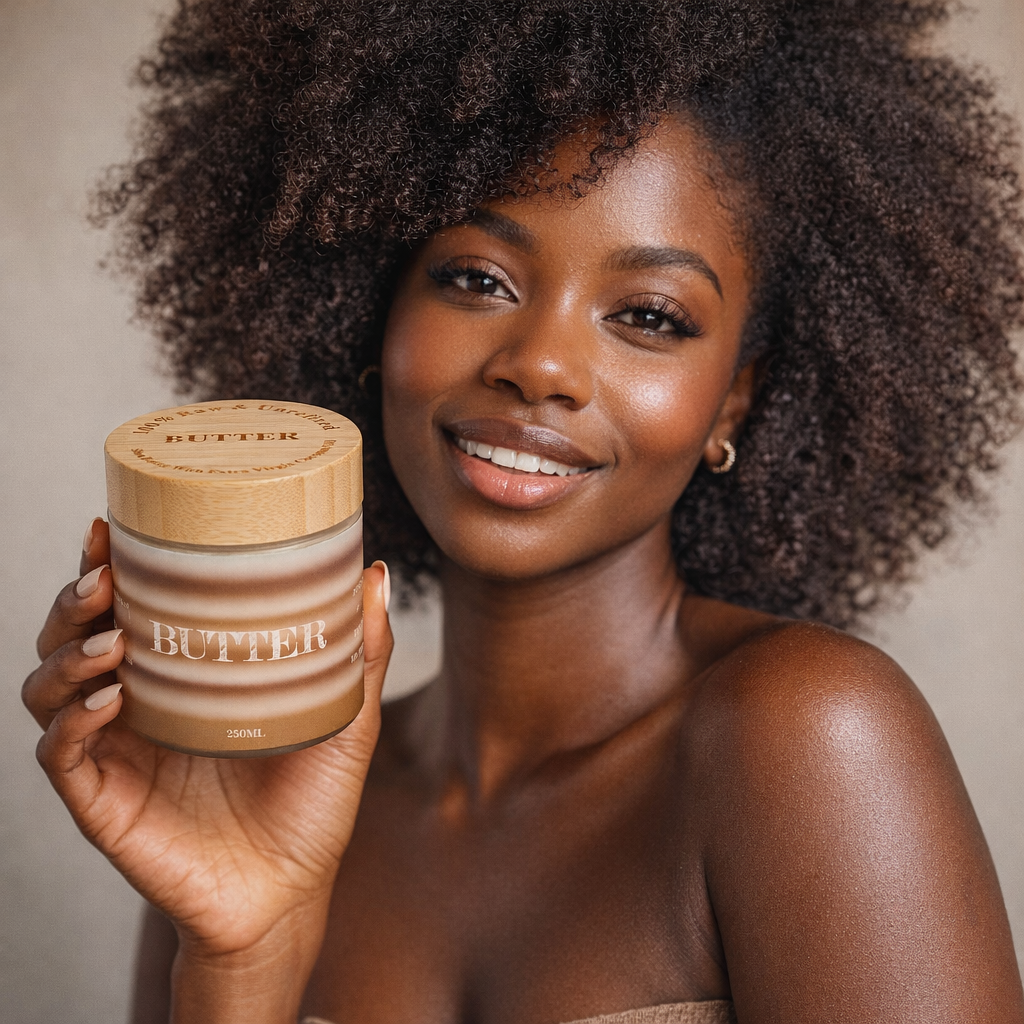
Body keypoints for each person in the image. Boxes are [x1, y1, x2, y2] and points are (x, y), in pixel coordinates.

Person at [22, 0, 1024, 1021]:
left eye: (647, 316)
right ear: (374, 315)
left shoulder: (805, 736)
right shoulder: (261, 788)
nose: (540, 365)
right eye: (475, 278)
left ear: (735, 397)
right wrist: (240, 956)